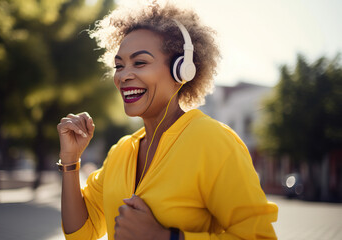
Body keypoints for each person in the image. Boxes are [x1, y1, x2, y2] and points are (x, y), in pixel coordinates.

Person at [57, 1, 278, 240]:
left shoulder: (214, 142)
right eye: (119, 65)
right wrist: (71, 161)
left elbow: (259, 236)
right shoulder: (120, 152)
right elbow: (81, 233)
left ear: (181, 70)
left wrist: (166, 237)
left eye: (139, 62)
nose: (123, 76)